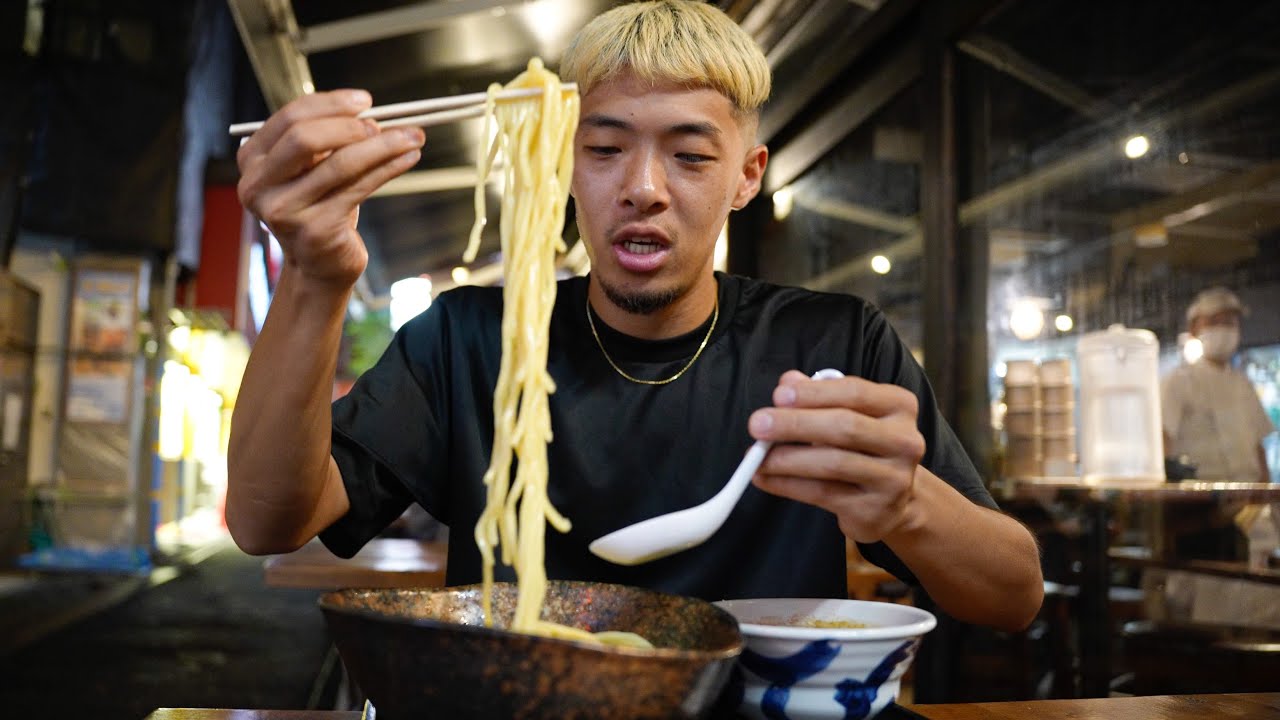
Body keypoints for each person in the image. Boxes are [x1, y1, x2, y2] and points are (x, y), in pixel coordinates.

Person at [227, 0, 1042, 632]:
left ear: (746, 177)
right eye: (605, 147)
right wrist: (311, 275)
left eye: (690, 155)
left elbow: (1012, 596)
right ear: (562, 160)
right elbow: (272, 519)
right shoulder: (469, 340)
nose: (643, 186)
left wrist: (905, 506)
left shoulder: (830, 344)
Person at [1162, 286, 1275, 483]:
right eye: (1214, 321)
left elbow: (1258, 446)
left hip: (1249, 499)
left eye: (1229, 322)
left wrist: (1267, 496)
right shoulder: (1178, 381)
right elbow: (1163, 440)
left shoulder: (1243, 383)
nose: (1224, 329)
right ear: (1194, 327)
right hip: (1200, 500)